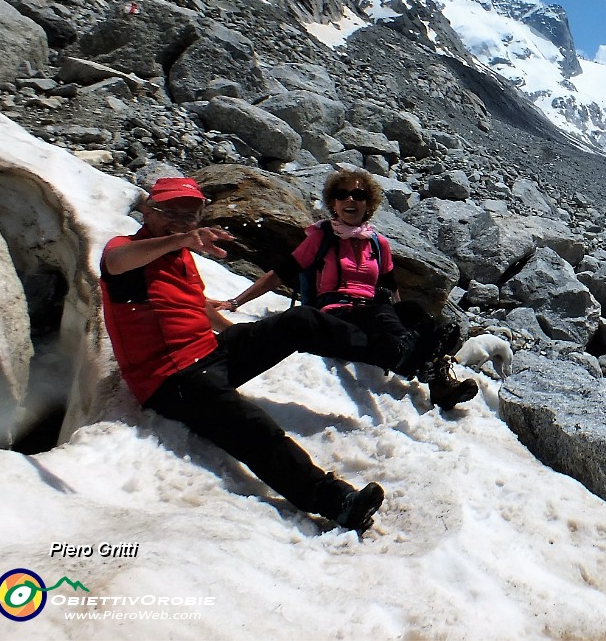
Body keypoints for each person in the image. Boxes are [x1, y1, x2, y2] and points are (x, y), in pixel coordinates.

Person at [99, 177, 397, 533]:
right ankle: (336, 502)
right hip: (171, 378)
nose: (180, 221)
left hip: (208, 352)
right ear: (147, 210)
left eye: (189, 215)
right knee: (253, 429)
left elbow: (193, 305)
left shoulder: (179, 255)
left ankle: (389, 352)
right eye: (169, 212)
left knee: (299, 320)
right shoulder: (128, 248)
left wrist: (237, 333)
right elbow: (114, 262)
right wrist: (180, 239)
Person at [222, 168, 477, 409]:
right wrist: (235, 302)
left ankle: (437, 380)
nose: (350, 200)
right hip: (335, 312)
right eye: (342, 195)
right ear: (333, 204)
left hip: (371, 315)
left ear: (369, 204)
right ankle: (411, 360)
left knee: (413, 311)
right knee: (385, 316)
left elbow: (391, 288)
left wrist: (408, 322)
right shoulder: (321, 237)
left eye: (358, 195)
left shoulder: (378, 244)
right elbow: (280, 273)